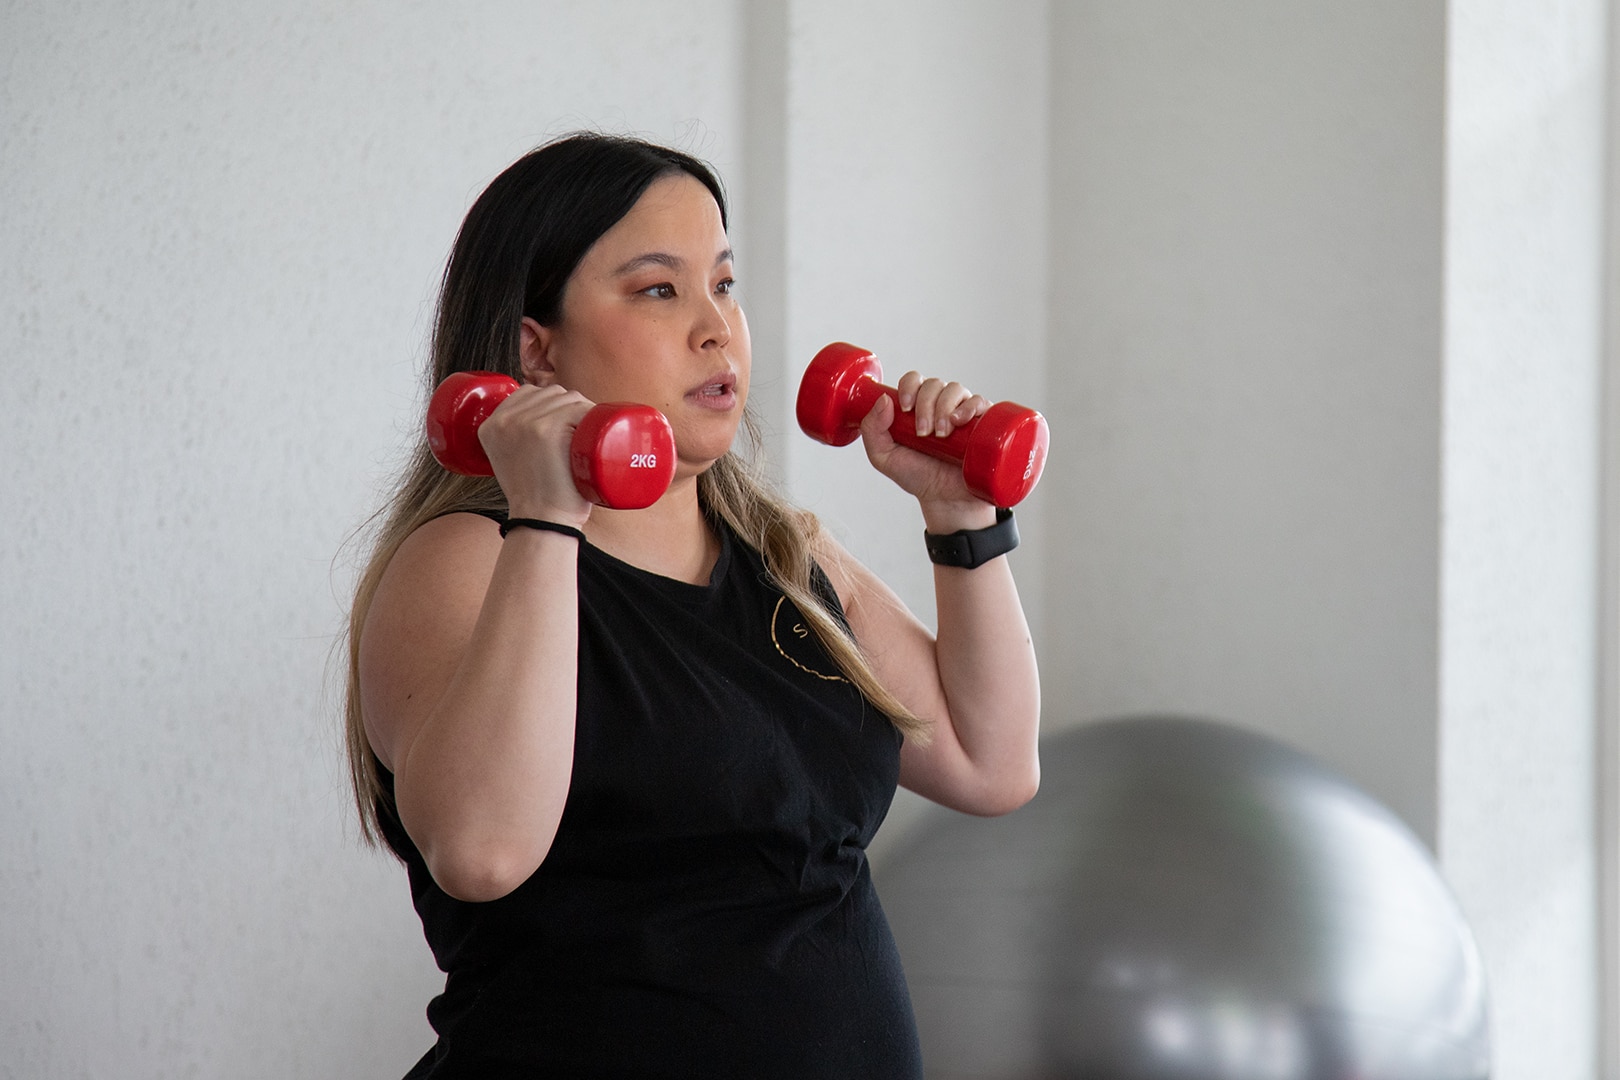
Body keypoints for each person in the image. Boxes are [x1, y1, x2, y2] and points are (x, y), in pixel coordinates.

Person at [342, 132, 1041, 1079]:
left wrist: (964, 525)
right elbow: (481, 850)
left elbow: (988, 764)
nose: (716, 328)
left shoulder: (785, 554)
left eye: (724, 282)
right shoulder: (465, 558)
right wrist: (549, 512)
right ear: (533, 351)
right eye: (658, 289)